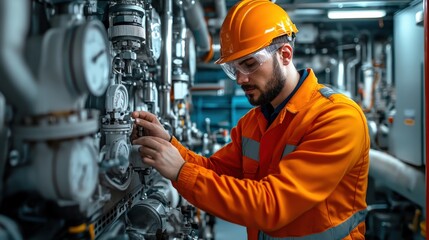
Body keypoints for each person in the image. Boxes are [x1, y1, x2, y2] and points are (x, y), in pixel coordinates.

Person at [132, 0, 370, 239]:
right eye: (233, 69)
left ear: (285, 54)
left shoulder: (337, 118)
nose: (240, 79)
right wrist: (169, 145)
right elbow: (216, 171)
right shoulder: (253, 122)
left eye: (249, 64)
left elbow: (272, 204)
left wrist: (181, 172)